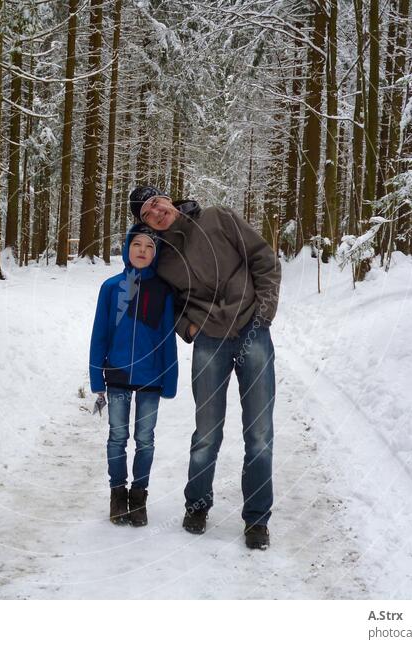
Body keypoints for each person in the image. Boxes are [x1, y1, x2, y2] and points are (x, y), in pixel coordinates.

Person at [129, 186, 281, 550]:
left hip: (252, 332)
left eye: (157, 203)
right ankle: (197, 505)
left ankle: (257, 520)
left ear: (169, 200)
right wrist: (189, 328)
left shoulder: (219, 218)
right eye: (147, 213)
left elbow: (264, 259)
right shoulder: (163, 258)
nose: (156, 212)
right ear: (146, 223)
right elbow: (170, 304)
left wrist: (263, 314)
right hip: (209, 341)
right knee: (207, 433)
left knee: (259, 434)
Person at [89, 223, 179, 527]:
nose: (142, 251)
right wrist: (95, 377)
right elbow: (99, 334)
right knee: (117, 436)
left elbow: (168, 337)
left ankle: (139, 496)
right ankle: (118, 495)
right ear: (127, 248)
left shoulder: (163, 291)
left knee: (145, 439)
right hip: (116, 375)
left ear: (156, 254)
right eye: (137, 244)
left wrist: (170, 378)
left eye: (150, 246)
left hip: (151, 378)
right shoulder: (112, 287)